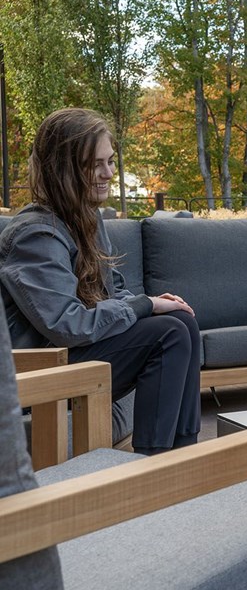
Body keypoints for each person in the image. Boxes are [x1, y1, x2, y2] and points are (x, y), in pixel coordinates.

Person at [0, 108, 201, 455]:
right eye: (96, 164)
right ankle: (151, 469)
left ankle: (183, 457)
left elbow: (114, 290)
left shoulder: (86, 218)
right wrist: (145, 305)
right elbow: (66, 324)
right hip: (40, 371)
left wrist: (151, 304)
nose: (108, 173)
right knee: (168, 334)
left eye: (110, 161)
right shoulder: (35, 235)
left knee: (182, 321)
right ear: (63, 168)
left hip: (73, 354)